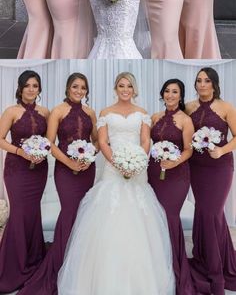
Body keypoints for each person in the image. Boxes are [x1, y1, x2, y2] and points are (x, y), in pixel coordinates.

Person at [57, 72, 175, 295]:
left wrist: (137, 161)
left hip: (137, 170)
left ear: (134, 89)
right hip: (113, 169)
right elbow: (101, 141)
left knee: (140, 219)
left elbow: (144, 141)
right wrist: (118, 163)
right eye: (121, 85)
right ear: (115, 88)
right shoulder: (105, 113)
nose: (125, 89)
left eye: (129, 86)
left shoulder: (142, 114)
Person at [18, 72, 97, 295]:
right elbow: (49, 143)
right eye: (75, 87)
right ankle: (60, 262)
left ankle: (79, 262)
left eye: (83, 88)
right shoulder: (58, 111)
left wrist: (90, 155)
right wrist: (70, 162)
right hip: (65, 169)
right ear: (67, 88)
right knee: (70, 211)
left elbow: (97, 141)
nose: (79, 91)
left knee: (83, 213)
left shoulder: (90, 112)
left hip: (86, 169)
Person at [185, 67, 236, 295]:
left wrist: (223, 150)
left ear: (214, 84)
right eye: (199, 81)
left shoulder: (226, 107)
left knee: (212, 212)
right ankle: (208, 258)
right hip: (197, 167)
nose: (202, 84)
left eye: (207, 80)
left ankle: (217, 270)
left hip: (220, 167)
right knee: (205, 212)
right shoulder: (189, 107)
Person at [0, 70, 49, 293]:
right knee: (19, 213)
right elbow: (0, 139)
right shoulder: (11, 111)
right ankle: (13, 266)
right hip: (17, 168)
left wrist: (42, 153)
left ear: (39, 89)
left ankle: (33, 258)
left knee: (32, 212)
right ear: (20, 88)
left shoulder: (45, 112)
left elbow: (49, 141)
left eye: (35, 86)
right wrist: (21, 151)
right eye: (27, 85)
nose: (31, 89)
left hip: (38, 168)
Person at [148, 79, 196, 294]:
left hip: (177, 175)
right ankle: (157, 266)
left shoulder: (186, 120)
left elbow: (188, 149)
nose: (170, 95)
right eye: (167, 91)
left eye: (174, 92)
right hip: (154, 173)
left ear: (181, 95)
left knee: (169, 216)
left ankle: (174, 266)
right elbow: (143, 141)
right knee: (155, 216)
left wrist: (175, 161)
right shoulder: (155, 117)